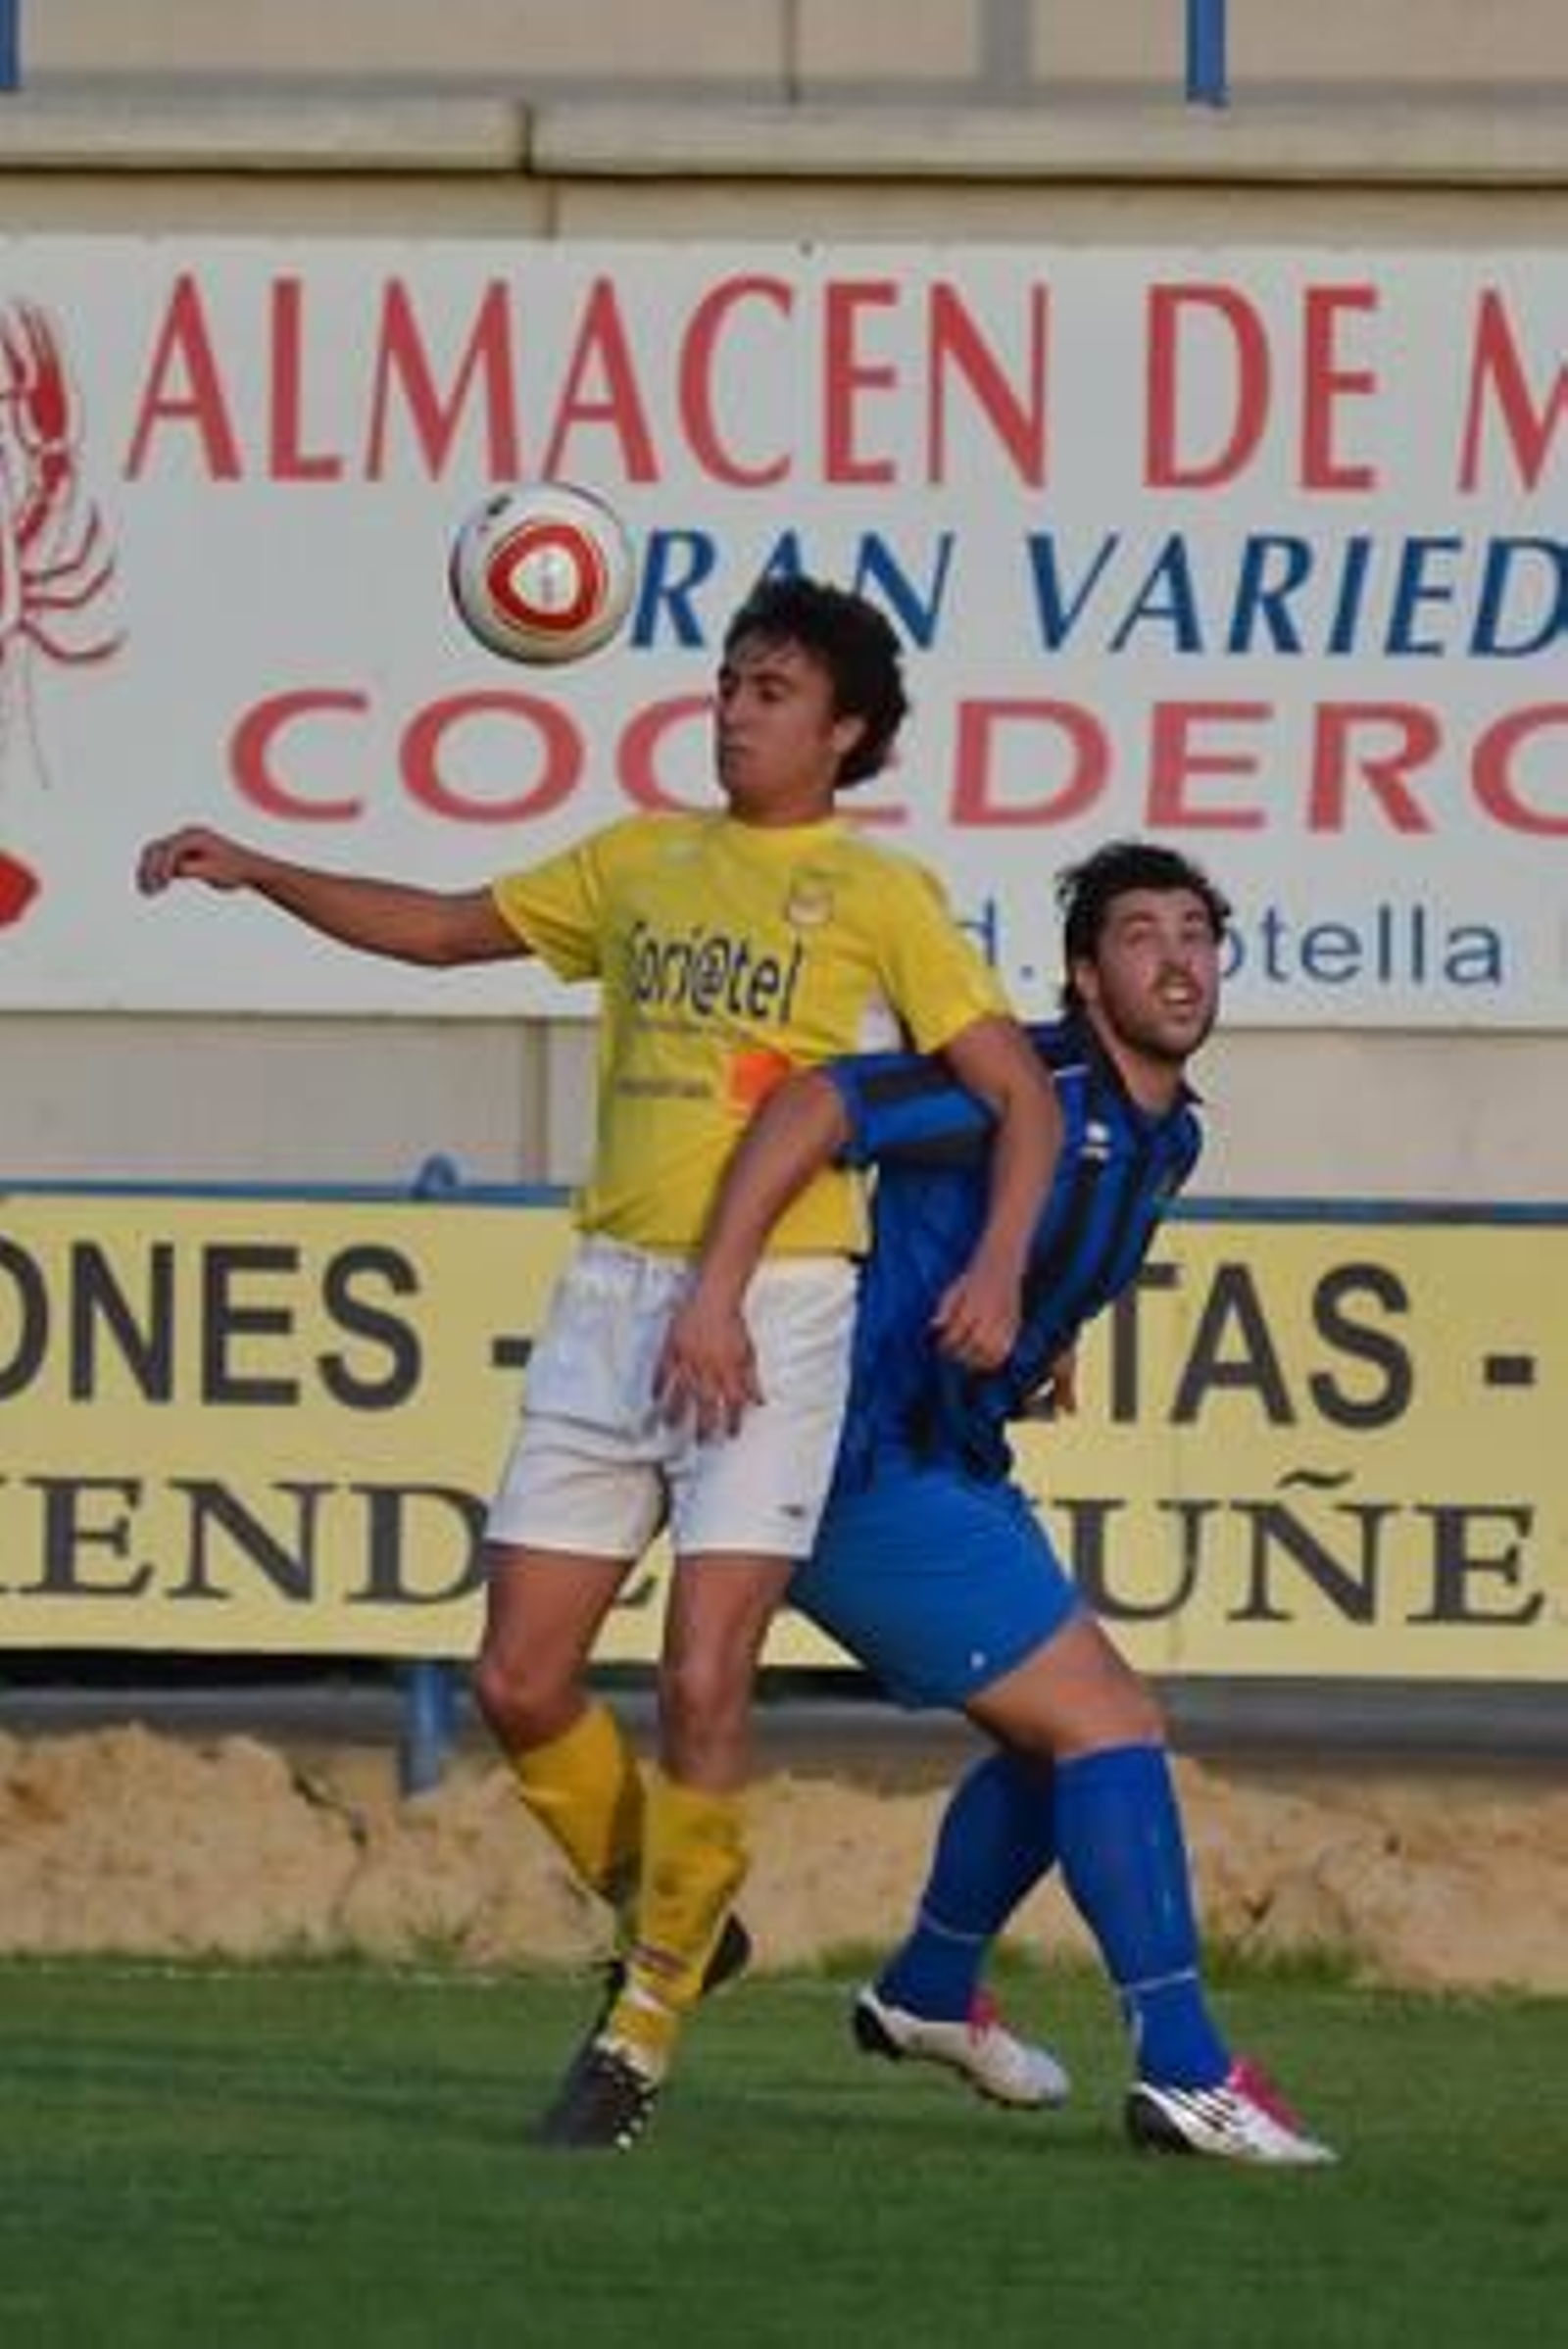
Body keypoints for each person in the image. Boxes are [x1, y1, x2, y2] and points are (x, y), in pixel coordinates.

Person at [136, 574, 1059, 2152]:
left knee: (706, 1672)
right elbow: (438, 931)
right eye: (727, 682)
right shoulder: (641, 860)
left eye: (770, 690)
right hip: (615, 1299)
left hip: (777, 1311)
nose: (734, 710)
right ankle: (680, 1906)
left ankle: (639, 2031)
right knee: (517, 1677)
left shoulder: (880, 891)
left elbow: (1021, 1102)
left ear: (844, 730)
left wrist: (993, 1267)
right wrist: (259, 867)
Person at [658, 838, 1336, 2166]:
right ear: (1087, 976)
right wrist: (714, 1292)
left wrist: (1039, 1329)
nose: (1178, 958)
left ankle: (925, 1987)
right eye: (1140, 935)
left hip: (949, 1455)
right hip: (850, 1456)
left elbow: (1049, 1240)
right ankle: (1189, 2071)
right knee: (1109, 1722)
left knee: (1058, 1740)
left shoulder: (1170, 1132)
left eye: (1196, 932)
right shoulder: (1020, 1080)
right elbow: (817, 1103)